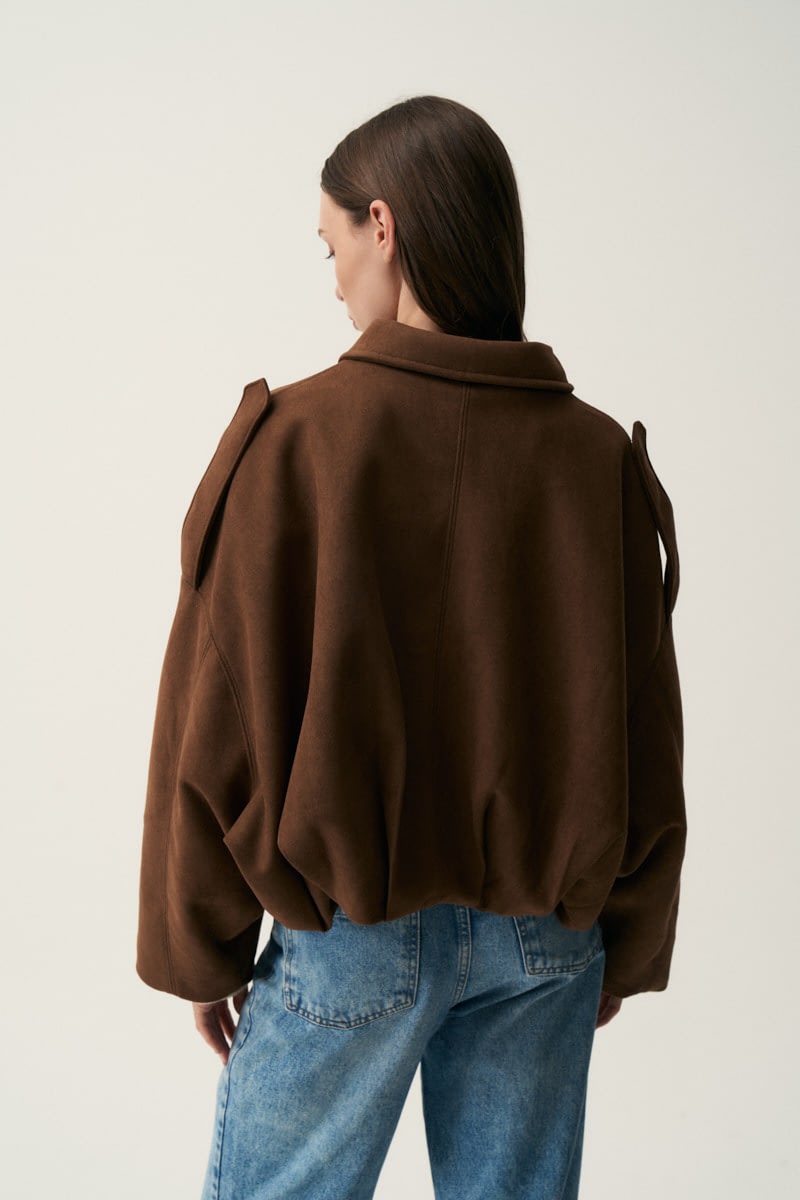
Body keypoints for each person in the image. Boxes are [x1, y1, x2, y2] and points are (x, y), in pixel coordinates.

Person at [136, 95, 686, 1200]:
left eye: (332, 245)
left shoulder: (292, 443)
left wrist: (199, 944)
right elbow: (645, 727)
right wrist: (626, 937)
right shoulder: (596, 461)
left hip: (355, 936)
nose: (333, 278)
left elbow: (215, 715)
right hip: (545, 942)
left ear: (383, 226)